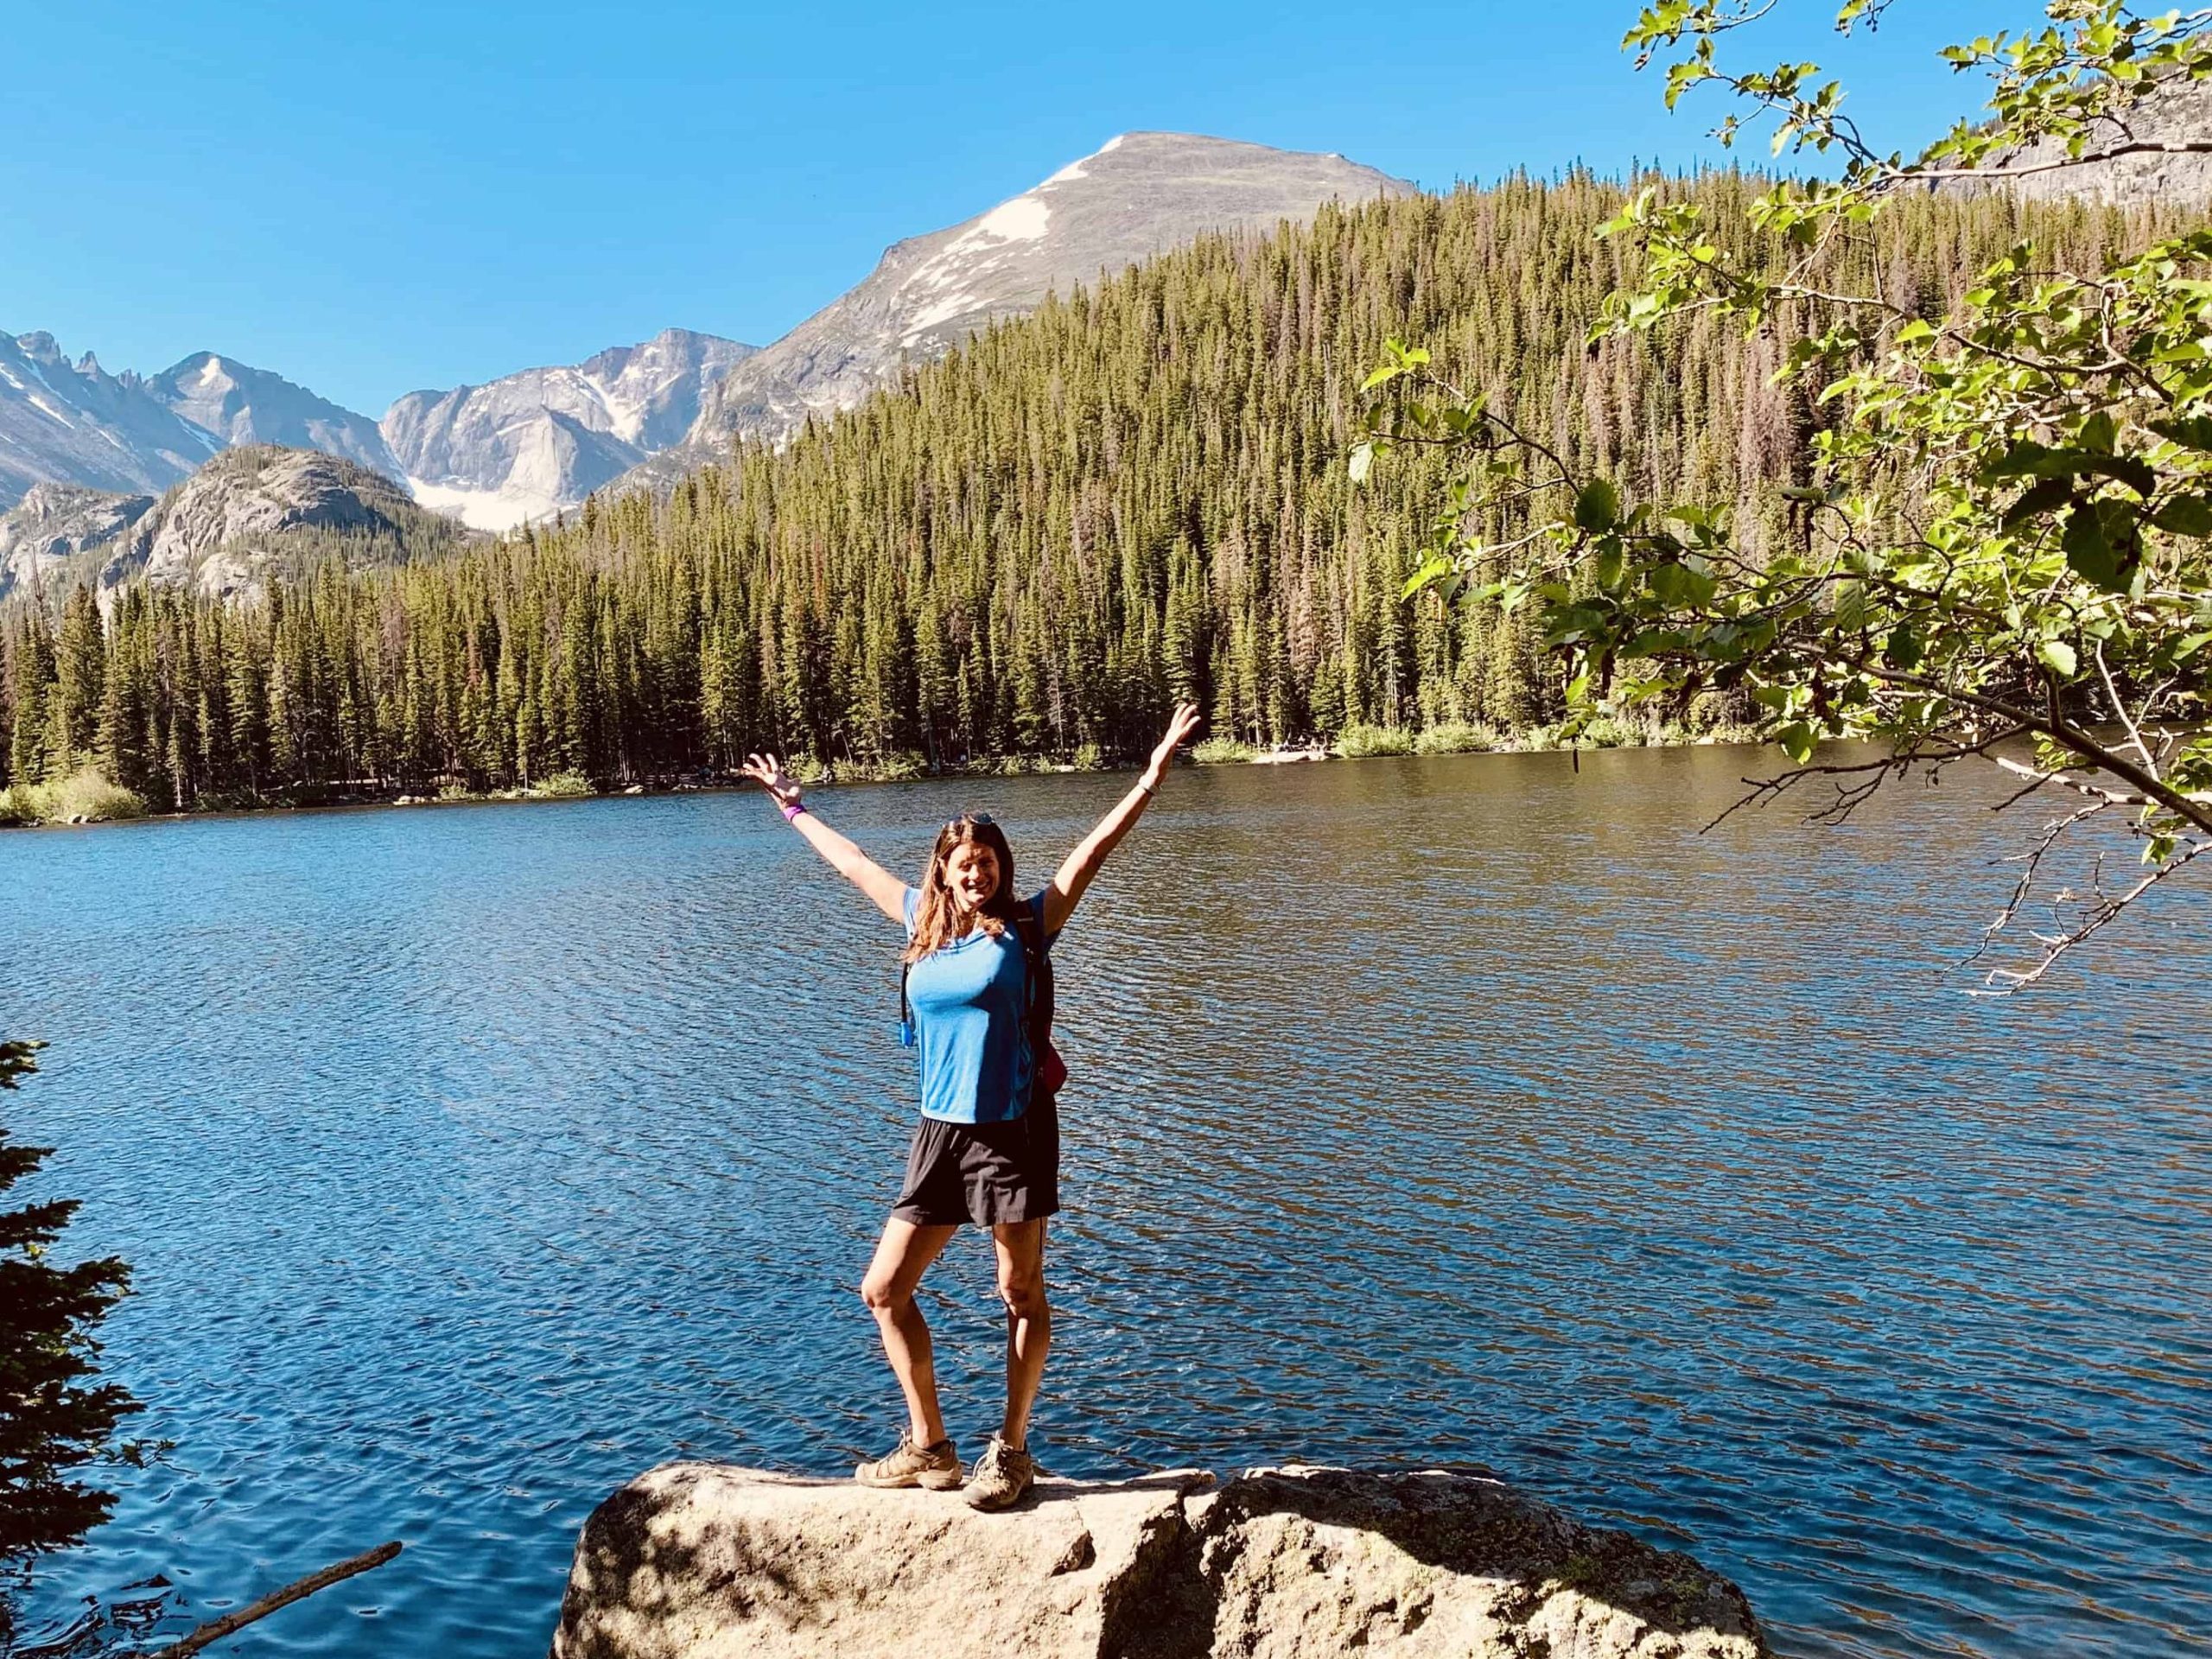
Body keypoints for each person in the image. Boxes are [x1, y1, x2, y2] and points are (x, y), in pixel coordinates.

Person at [741, 703, 1202, 1511]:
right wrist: (792, 805)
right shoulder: (921, 921)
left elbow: (1094, 850)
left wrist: (1154, 770)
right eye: (962, 862)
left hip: (1014, 1132)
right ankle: (930, 1448)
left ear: (1001, 867)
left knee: (1020, 1293)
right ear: (943, 870)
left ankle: (1013, 1450)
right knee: (883, 1291)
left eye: (986, 859)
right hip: (941, 1135)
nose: (974, 871)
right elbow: (851, 863)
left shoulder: (1029, 924)